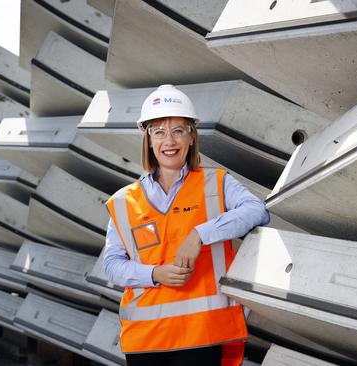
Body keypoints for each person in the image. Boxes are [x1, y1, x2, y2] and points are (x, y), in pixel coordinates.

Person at [103, 85, 270, 366]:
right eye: (159, 132)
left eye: (179, 130)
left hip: (202, 336)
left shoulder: (216, 184)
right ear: (148, 139)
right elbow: (112, 265)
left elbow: (257, 210)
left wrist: (200, 234)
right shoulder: (123, 201)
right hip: (147, 341)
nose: (170, 141)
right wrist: (154, 274)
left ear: (192, 136)